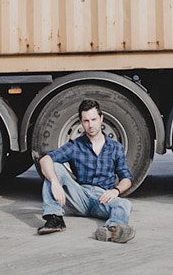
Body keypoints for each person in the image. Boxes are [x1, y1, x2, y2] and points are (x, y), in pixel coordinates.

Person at [37, 99, 136, 243]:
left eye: (94, 119)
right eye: (86, 121)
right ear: (81, 123)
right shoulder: (76, 145)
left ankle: (112, 230)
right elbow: (44, 159)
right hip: (80, 196)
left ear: (101, 118)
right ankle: (55, 218)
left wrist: (116, 191)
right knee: (55, 167)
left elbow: (126, 178)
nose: (90, 125)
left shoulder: (115, 148)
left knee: (124, 204)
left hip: (102, 198)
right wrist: (55, 183)